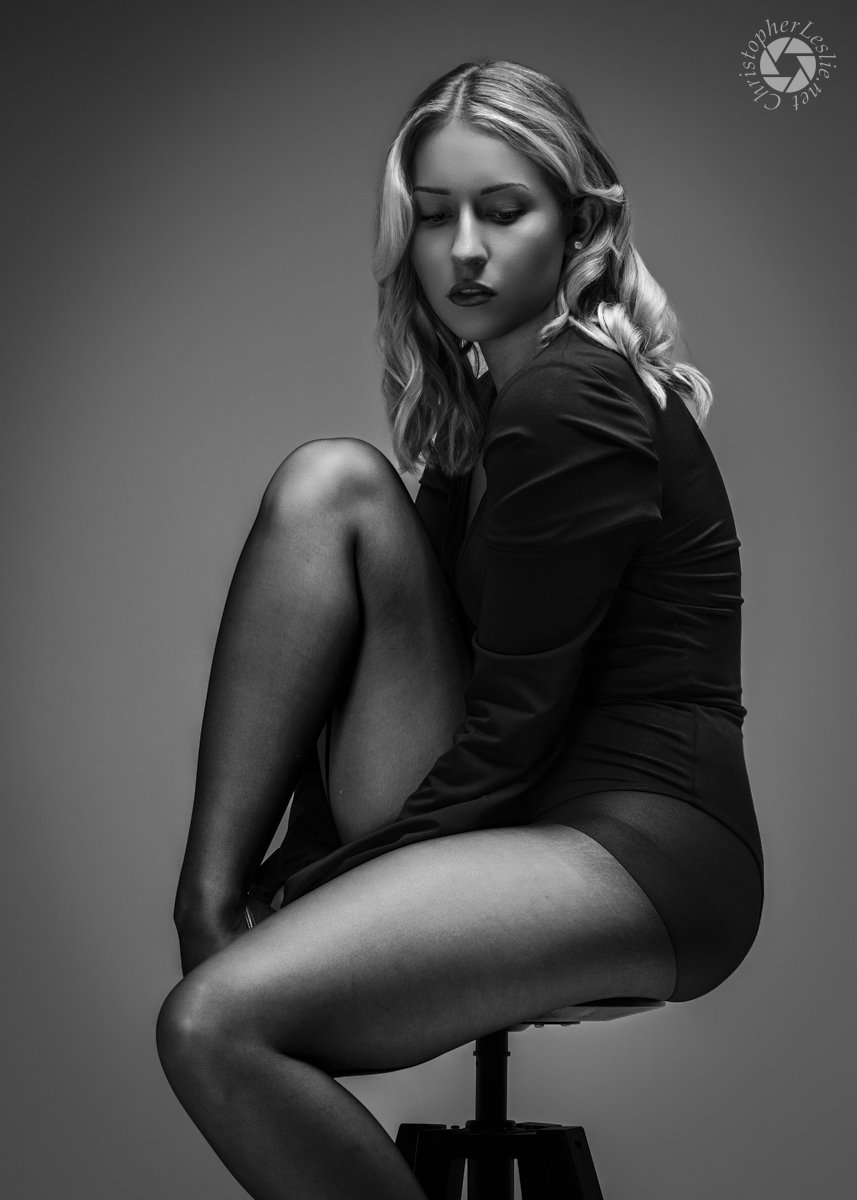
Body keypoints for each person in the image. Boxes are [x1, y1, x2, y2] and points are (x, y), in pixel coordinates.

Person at [156, 60, 764, 1200]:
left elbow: (510, 728)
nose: (464, 252)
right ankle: (208, 904)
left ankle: (210, 913)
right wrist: (302, 877)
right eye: (434, 217)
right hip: (522, 812)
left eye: (503, 210)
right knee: (334, 486)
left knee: (214, 1025)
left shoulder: (570, 398)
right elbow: (374, 678)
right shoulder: (484, 410)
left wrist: (317, 888)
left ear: (577, 223)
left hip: (639, 850)